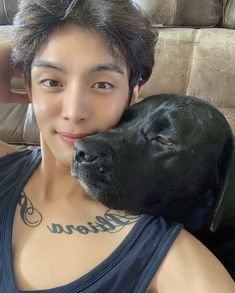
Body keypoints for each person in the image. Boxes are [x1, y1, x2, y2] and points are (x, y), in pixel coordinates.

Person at [0, 0, 234, 292]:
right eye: (51, 81)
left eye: (102, 85)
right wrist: (17, 49)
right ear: (26, 83)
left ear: (133, 93)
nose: (74, 111)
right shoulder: (5, 162)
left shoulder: (167, 253)